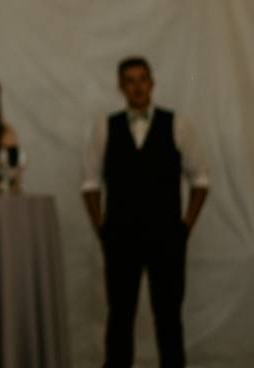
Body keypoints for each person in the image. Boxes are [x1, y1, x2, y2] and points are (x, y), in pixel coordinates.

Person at [82, 57, 209, 368]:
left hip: (167, 236)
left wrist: (184, 228)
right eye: (130, 80)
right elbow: (90, 183)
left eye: (142, 79)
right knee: (120, 313)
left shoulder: (177, 124)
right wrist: (103, 230)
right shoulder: (105, 127)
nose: (137, 86)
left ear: (152, 83)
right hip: (121, 236)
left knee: (168, 314)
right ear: (121, 87)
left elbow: (201, 180)